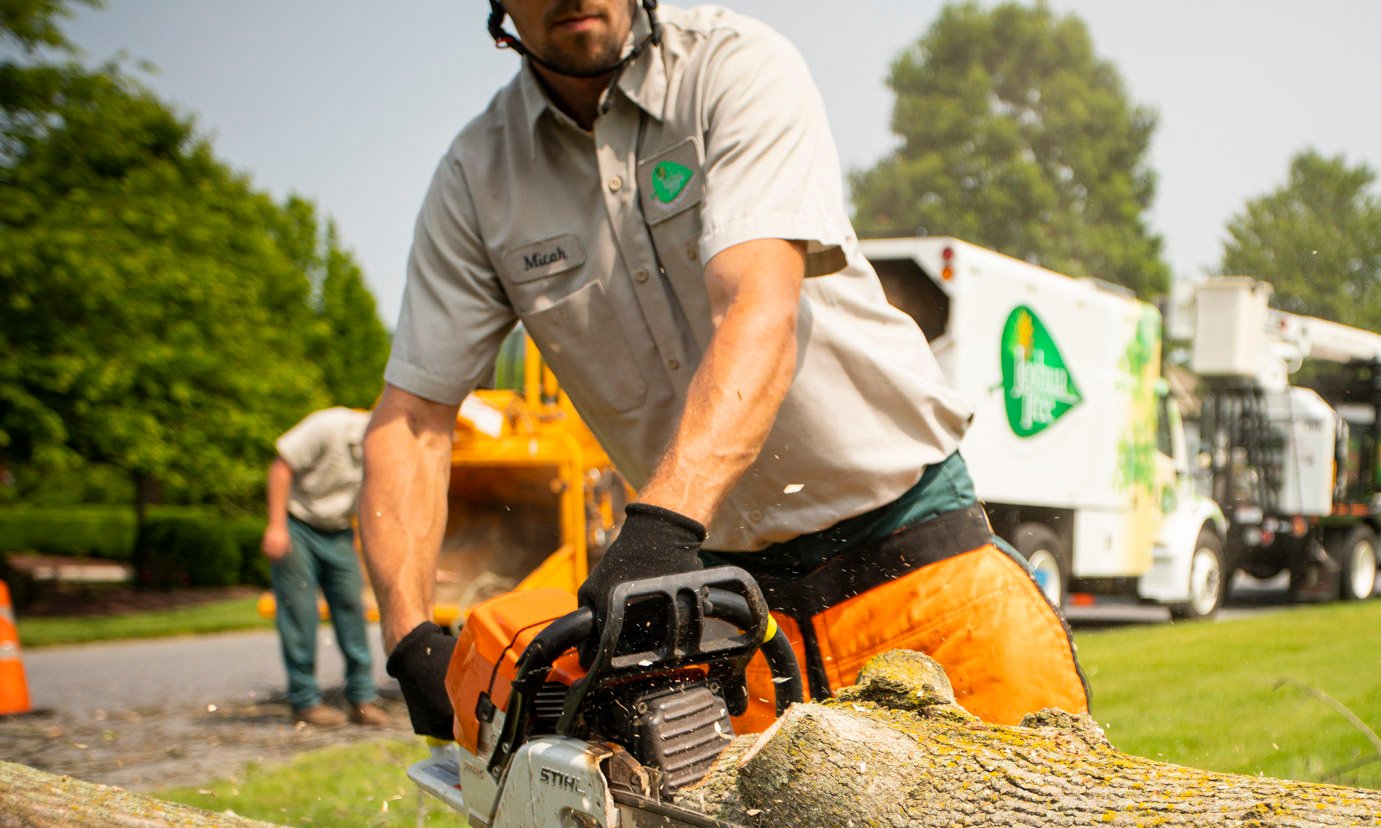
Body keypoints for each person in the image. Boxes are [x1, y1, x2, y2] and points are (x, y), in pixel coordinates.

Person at [363, 0, 1088, 744]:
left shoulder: (734, 67)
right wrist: (408, 634)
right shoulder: (479, 176)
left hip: (918, 565)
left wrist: (659, 525)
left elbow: (754, 307)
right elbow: (412, 421)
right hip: (733, 621)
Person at [262, 407, 388, 728]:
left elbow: (379, 510)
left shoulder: (385, 451)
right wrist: (276, 526)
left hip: (339, 533)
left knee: (352, 609)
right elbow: (281, 467)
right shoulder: (329, 426)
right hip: (298, 526)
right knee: (300, 611)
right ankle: (305, 702)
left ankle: (362, 699)